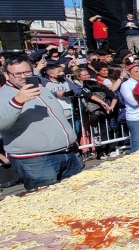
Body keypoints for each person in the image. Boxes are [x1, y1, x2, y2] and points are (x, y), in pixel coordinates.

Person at [0, 54, 81, 190]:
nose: (23, 76)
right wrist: (17, 102)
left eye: (27, 72)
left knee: (79, 196)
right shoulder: (4, 95)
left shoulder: (41, 89)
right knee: (47, 203)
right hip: (36, 161)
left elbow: (57, 116)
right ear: (7, 75)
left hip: (67, 154)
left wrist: (70, 137)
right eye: (17, 73)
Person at [119, 63, 139, 153]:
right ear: (129, 73)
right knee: (137, 142)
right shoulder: (125, 85)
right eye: (136, 71)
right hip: (135, 117)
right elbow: (133, 102)